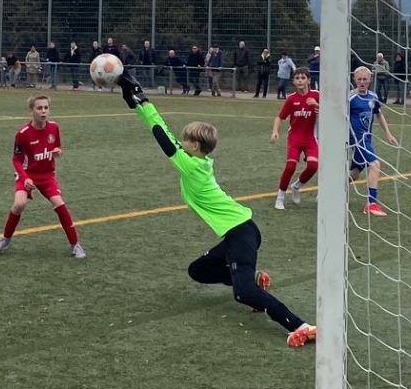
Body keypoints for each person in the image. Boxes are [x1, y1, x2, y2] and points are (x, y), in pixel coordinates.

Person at [116, 69, 314, 346]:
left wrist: (143, 99)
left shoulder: (191, 165)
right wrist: (134, 102)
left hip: (241, 234)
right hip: (238, 232)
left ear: (196, 145)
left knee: (243, 293)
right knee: (198, 270)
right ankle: (255, 279)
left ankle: (300, 325)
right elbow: (167, 135)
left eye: (185, 141)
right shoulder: (197, 161)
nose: (181, 143)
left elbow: (161, 134)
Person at [0, 93, 84, 258]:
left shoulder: (54, 127)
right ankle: (5, 239)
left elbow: (57, 146)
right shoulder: (22, 133)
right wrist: (25, 178)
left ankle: (75, 245)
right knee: (19, 204)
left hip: (47, 176)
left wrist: (58, 151)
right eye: (39, 108)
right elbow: (16, 160)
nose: (43, 111)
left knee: (60, 205)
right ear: (31, 111)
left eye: (46, 108)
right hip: (27, 175)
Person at [349, 64, 399, 216]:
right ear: (354, 79)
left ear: (370, 80)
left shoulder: (373, 96)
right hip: (356, 139)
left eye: (365, 79)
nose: (362, 82)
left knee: (354, 174)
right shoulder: (350, 98)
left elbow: (379, 114)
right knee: (375, 164)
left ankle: (331, 189)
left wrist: (388, 134)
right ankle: (371, 204)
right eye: (359, 79)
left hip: (367, 139)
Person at [271, 67, 319, 208]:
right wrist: (275, 131)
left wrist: (318, 105)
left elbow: (330, 110)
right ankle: (280, 198)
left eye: (303, 78)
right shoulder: (291, 99)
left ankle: (296, 186)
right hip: (295, 139)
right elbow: (280, 117)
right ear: (293, 81)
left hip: (311, 139)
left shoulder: (317, 95)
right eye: (297, 78)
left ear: (309, 80)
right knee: (290, 166)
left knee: (313, 166)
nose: (300, 81)